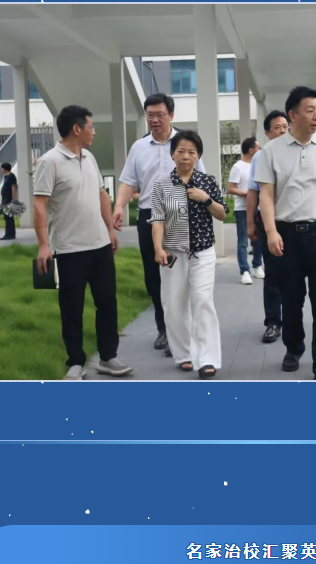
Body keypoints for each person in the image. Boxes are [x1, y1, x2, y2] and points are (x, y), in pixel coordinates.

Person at [255, 86, 316, 380]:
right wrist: (270, 232)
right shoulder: (271, 151)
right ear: (293, 114)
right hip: (287, 235)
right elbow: (266, 195)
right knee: (291, 299)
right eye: (310, 111)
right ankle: (293, 348)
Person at [33, 105, 133, 381]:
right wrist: (43, 245)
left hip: (99, 247)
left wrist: (109, 230)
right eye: (91, 126)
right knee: (72, 309)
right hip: (69, 250)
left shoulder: (89, 157)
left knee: (107, 303)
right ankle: (75, 362)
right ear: (77, 129)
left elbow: (101, 194)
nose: (94, 131)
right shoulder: (49, 161)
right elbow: (39, 205)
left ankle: (108, 357)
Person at [112, 93, 206, 354]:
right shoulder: (139, 147)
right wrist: (119, 206)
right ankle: (164, 329)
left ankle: (185, 330)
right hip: (149, 216)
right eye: (150, 115)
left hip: (182, 217)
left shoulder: (185, 143)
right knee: (154, 275)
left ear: (171, 115)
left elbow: (202, 179)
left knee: (184, 273)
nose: (154, 120)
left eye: (160, 115)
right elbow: (128, 182)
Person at [149, 130, 227, 380]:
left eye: (191, 152)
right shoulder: (161, 184)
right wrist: (158, 248)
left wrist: (206, 200)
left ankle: (207, 359)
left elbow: (223, 214)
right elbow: (157, 219)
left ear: (198, 156)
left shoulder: (207, 181)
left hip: (203, 252)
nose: (186, 156)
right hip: (173, 254)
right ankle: (183, 354)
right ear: (172, 154)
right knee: (174, 305)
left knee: (202, 301)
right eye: (181, 151)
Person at [246, 110, 289, 343]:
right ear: (267, 133)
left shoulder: (297, 152)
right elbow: (253, 192)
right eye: (277, 128)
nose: (282, 131)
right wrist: (250, 223)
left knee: (294, 272)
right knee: (272, 272)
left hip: (294, 222)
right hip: (268, 221)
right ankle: (273, 321)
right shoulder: (259, 157)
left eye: (285, 126)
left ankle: (292, 318)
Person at [228, 137, 262, 284]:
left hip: (258, 207)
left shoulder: (259, 165)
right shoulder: (238, 167)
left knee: (258, 239)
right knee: (243, 241)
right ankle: (244, 271)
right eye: (259, 148)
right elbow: (231, 188)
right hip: (242, 209)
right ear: (251, 150)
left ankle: (257, 265)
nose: (260, 150)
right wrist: (245, 193)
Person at [0, 162, 18, 240]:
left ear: (4, 169)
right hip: (5, 199)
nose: (1, 170)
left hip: (9, 199)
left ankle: (10, 234)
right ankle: (9, 233)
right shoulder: (6, 177)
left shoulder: (11, 176)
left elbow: (13, 187)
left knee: (9, 217)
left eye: (1, 168)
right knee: (7, 217)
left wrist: (13, 199)